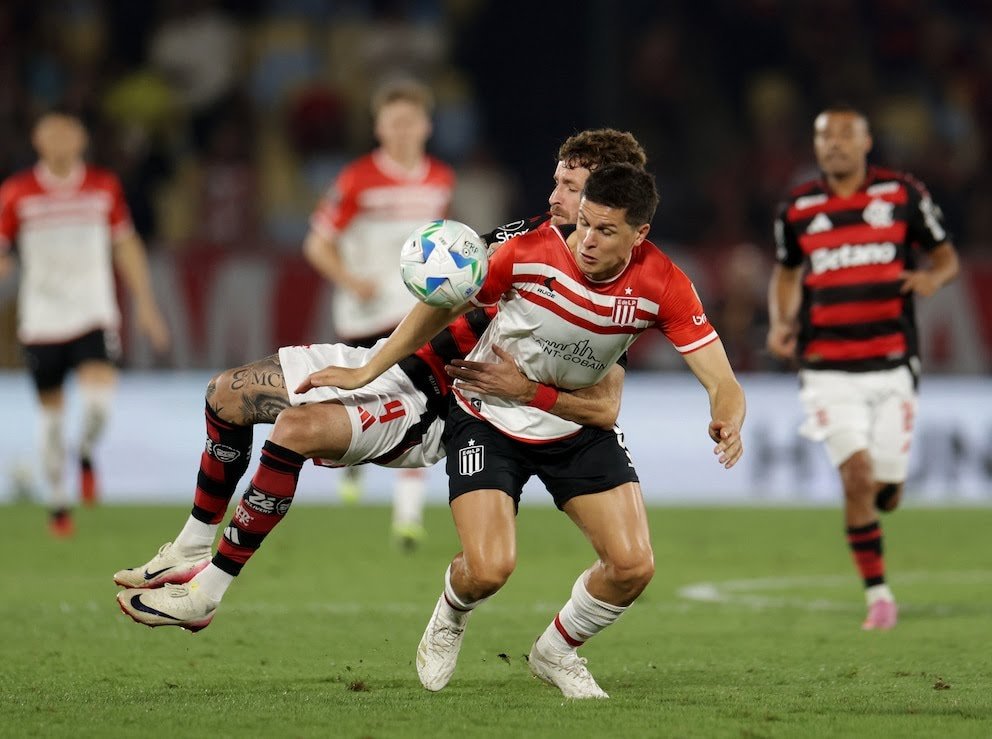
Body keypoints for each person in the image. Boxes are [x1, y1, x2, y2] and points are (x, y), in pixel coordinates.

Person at [114, 129, 649, 632]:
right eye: (557, 180)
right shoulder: (527, 236)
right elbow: (452, 294)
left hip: (430, 404)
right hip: (395, 362)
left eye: (571, 187)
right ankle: (191, 544)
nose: (554, 193)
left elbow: (606, 380)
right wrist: (376, 357)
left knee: (295, 431)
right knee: (227, 394)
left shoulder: (609, 288)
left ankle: (207, 591)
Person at [299, 163, 746, 700]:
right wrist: (368, 371)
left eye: (606, 231)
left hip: (574, 427)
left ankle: (556, 650)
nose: (587, 240)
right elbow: (442, 304)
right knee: (488, 569)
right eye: (583, 223)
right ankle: (450, 615)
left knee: (632, 567)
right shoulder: (528, 253)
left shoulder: (664, 285)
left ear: (640, 235)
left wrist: (728, 417)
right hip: (487, 417)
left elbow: (722, 379)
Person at [766, 105, 959, 631]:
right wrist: (781, 321)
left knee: (887, 490)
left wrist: (929, 281)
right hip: (826, 367)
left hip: (893, 363)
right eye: (826, 136)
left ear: (867, 142)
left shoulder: (902, 195)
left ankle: (886, 494)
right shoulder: (798, 207)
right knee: (856, 476)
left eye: (846, 136)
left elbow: (945, 256)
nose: (835, 145)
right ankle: (879, 594)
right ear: (816, 144)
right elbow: (786, 273)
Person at [0, 110, 170, 536]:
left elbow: (126, 246)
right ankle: (58, 504)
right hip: (41, 319)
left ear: (81, 140)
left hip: (93, 312)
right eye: (50, 132)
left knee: (97, 409)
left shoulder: (103, 187)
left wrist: (147, 306)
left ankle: (88, 452)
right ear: (37, 141)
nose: (59, 139)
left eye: (67, 132)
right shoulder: (17, 192)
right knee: (52, 419)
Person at [302, 78, 455, 546]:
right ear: (378, 128)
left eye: (411, 121)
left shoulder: (440, 180)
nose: (403, 131)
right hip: (363, 312)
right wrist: (352, 281)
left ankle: (407, 518)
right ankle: (351, 462)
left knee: (424, 403)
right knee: (362, 403)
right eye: (394, 122)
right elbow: (316, 244)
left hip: (416, 311)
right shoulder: (356, 180)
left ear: (426, 125)